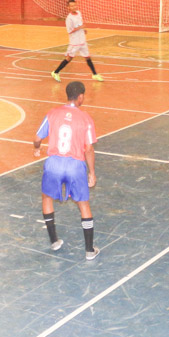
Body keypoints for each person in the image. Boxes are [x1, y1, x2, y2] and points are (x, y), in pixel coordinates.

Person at [33, 80, 100, 260]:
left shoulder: (52, 113)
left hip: (54, 163)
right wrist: (92, 172)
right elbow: (88, 149)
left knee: (47, 198)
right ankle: (89, 250)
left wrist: (37, 149)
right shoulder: (85, 118)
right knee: (83, 204)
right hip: (74, 165)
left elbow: (37, 138)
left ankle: (54, 241)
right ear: (80, 97)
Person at [51, 0, 103, 82]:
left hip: (82, 40)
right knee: (69, 58)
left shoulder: (79, 13)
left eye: (75, 5)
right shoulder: (69, 18)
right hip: (75, 42)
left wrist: (83, 29)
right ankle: (56, 72)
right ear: (68, 7)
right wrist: (80, 28)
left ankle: (95, 74)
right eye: (71, 6)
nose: (74, 7)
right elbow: (70, 31)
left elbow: (80, 23)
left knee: (87, 57)